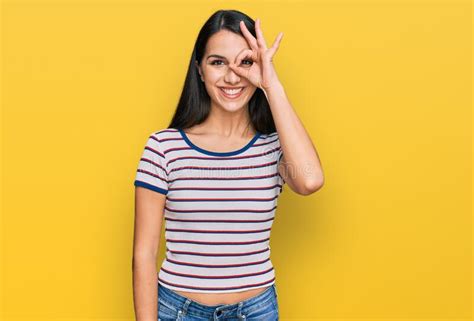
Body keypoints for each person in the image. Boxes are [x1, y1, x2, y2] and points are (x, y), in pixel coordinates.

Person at [132, 9, 324, 321]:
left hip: (256, 311)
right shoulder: (164, 148)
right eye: (217, 62)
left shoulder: (275, 148)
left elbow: (311, 181)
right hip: (177, 311)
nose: (232, 76)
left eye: (245, 62)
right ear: (199, 69)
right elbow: (144, 254)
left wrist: (271, 84)